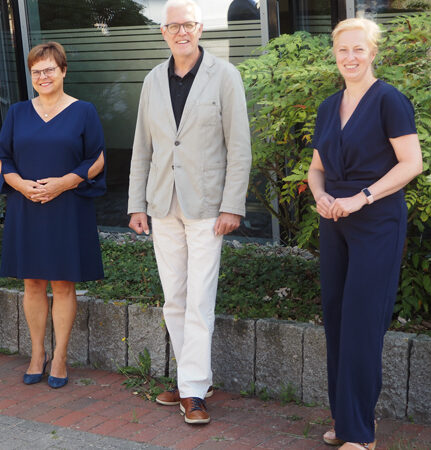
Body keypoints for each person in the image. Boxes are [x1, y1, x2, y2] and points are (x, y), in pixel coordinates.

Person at [127, 0, 252, 425]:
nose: (181, 32)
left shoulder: (225, 76)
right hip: (162, 205)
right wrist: (136, 205)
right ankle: (191, 381)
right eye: (173, 26)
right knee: (175, 300)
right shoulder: (151, 80)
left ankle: (194, 390)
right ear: (163, 32)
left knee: (199, 299)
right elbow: (142, 148)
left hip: (207, 207)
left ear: (200, 29)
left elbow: (239, 147)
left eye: (189, 25)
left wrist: (233, 204)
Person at [307, 18, 423, 449]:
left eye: (359, 49)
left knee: (361, 323)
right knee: (336, 321)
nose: (350, 57)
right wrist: (318, 194)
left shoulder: (389, 100)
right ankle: (344, 417)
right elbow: (316, 168)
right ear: (334, 55)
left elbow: (412, 163)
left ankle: (361, 434)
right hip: (333, 224)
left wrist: (362, 197)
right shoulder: (327, 107)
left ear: (373, 52)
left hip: (376, 223)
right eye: (343, 50)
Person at [0, 42, 105, 389]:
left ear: (63, 71)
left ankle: (60, 358)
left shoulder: (84, 111)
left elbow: (97, 159)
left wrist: (64, 183)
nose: (43, 76)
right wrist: (21, 185)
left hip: (67, 206)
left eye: (49, 69)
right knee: (32, 282)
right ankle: (37, 353)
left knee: (63, 283)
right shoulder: (17, 112)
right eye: (36, 71)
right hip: (27, 206)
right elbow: (2, 158)